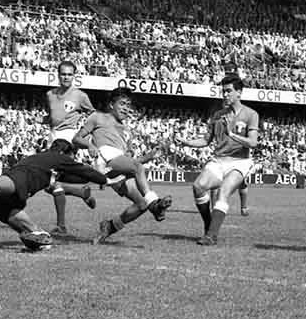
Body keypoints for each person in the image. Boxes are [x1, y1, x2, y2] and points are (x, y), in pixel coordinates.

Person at [0, 136, 118, 251]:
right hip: (20, 184)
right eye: (71, 157)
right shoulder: (59, 157)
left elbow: (77, 178)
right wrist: (106, 180)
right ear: (64, 153)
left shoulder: (44, 160)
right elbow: (83, 171)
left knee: (40, 238)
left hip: (6, 203)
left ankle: (36, 236)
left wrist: (89, 184)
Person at [72, 88, 172, 245]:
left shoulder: (126, 131)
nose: (126, 108)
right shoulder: (97, 117)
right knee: (147, 196)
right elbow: (76, 138)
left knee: (141, 204)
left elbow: (130, 162)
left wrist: (149, 156)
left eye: (128, 105)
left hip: (118, 166)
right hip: (105, 159)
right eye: (122, 104)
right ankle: (155, 204)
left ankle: (110, 226)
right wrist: (89, 145)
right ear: (111, 104)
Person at [177, 74, 260, 246]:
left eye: (229, 91)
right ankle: (209, 225)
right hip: (219, 160)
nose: (225, 95)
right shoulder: (217, 115)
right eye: (223, 91)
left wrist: (232, 134)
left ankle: (211, 236)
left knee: (223, 191)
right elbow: (206, 141)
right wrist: (187, 142)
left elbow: (252, 143)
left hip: (240, 162)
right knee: (198, 187)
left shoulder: (251, 114)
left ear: (239, 92)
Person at [45, 60, 98, 235]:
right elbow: (53, 116)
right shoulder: (50, 94)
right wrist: (42, 120)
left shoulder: (80, 96)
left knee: (48, 176)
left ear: (74, 76)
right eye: (63, 74)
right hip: (53, 136)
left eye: (69, 74)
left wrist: (85, 136)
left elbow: (93, 115)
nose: (66, 77)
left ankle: (61, 227)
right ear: (58, 75)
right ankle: (81, 192)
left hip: (67, 139)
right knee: (49, 184)